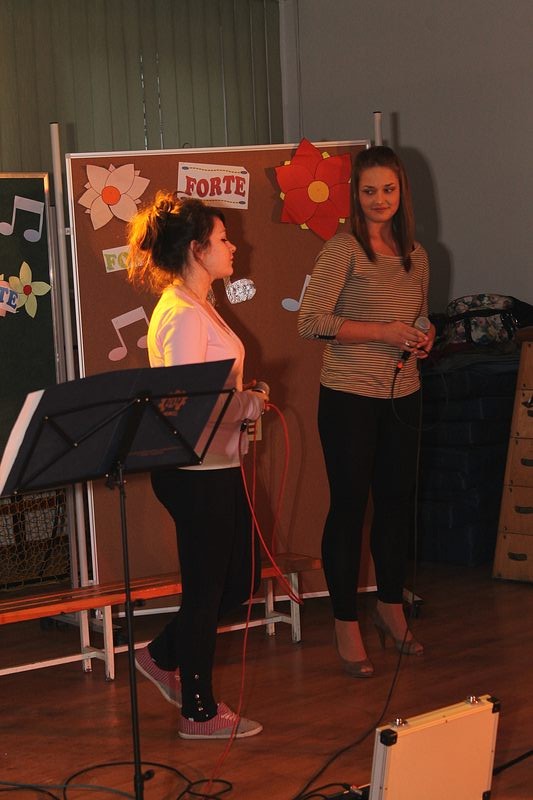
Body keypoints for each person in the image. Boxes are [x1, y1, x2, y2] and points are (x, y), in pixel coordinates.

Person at [126, 192, 267, 738]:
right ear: (195, 249)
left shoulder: (198, 304)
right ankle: (199, 711)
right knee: (208, 589)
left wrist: (245, 399)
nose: (233, 246)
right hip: (194, 472)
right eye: (223, 239)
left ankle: (162, 654)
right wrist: (249, 403)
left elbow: (211, 390)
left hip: (217, 465)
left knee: (239, 577)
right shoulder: (181, 313)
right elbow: (186, 403)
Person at [298, 145, 435, 677]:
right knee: (351, 506)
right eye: (370, 190)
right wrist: (382, 332)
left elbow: (419, 315)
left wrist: (425, 335)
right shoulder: (343, 249)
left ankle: (390, 607)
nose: (380, 200)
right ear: (355, 195)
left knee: (396, 504)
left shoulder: (416, 253)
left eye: (389, 190)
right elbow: (311, 321)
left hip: (403, 393)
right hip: (349, 397)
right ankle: (344, 620)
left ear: (402, 193)